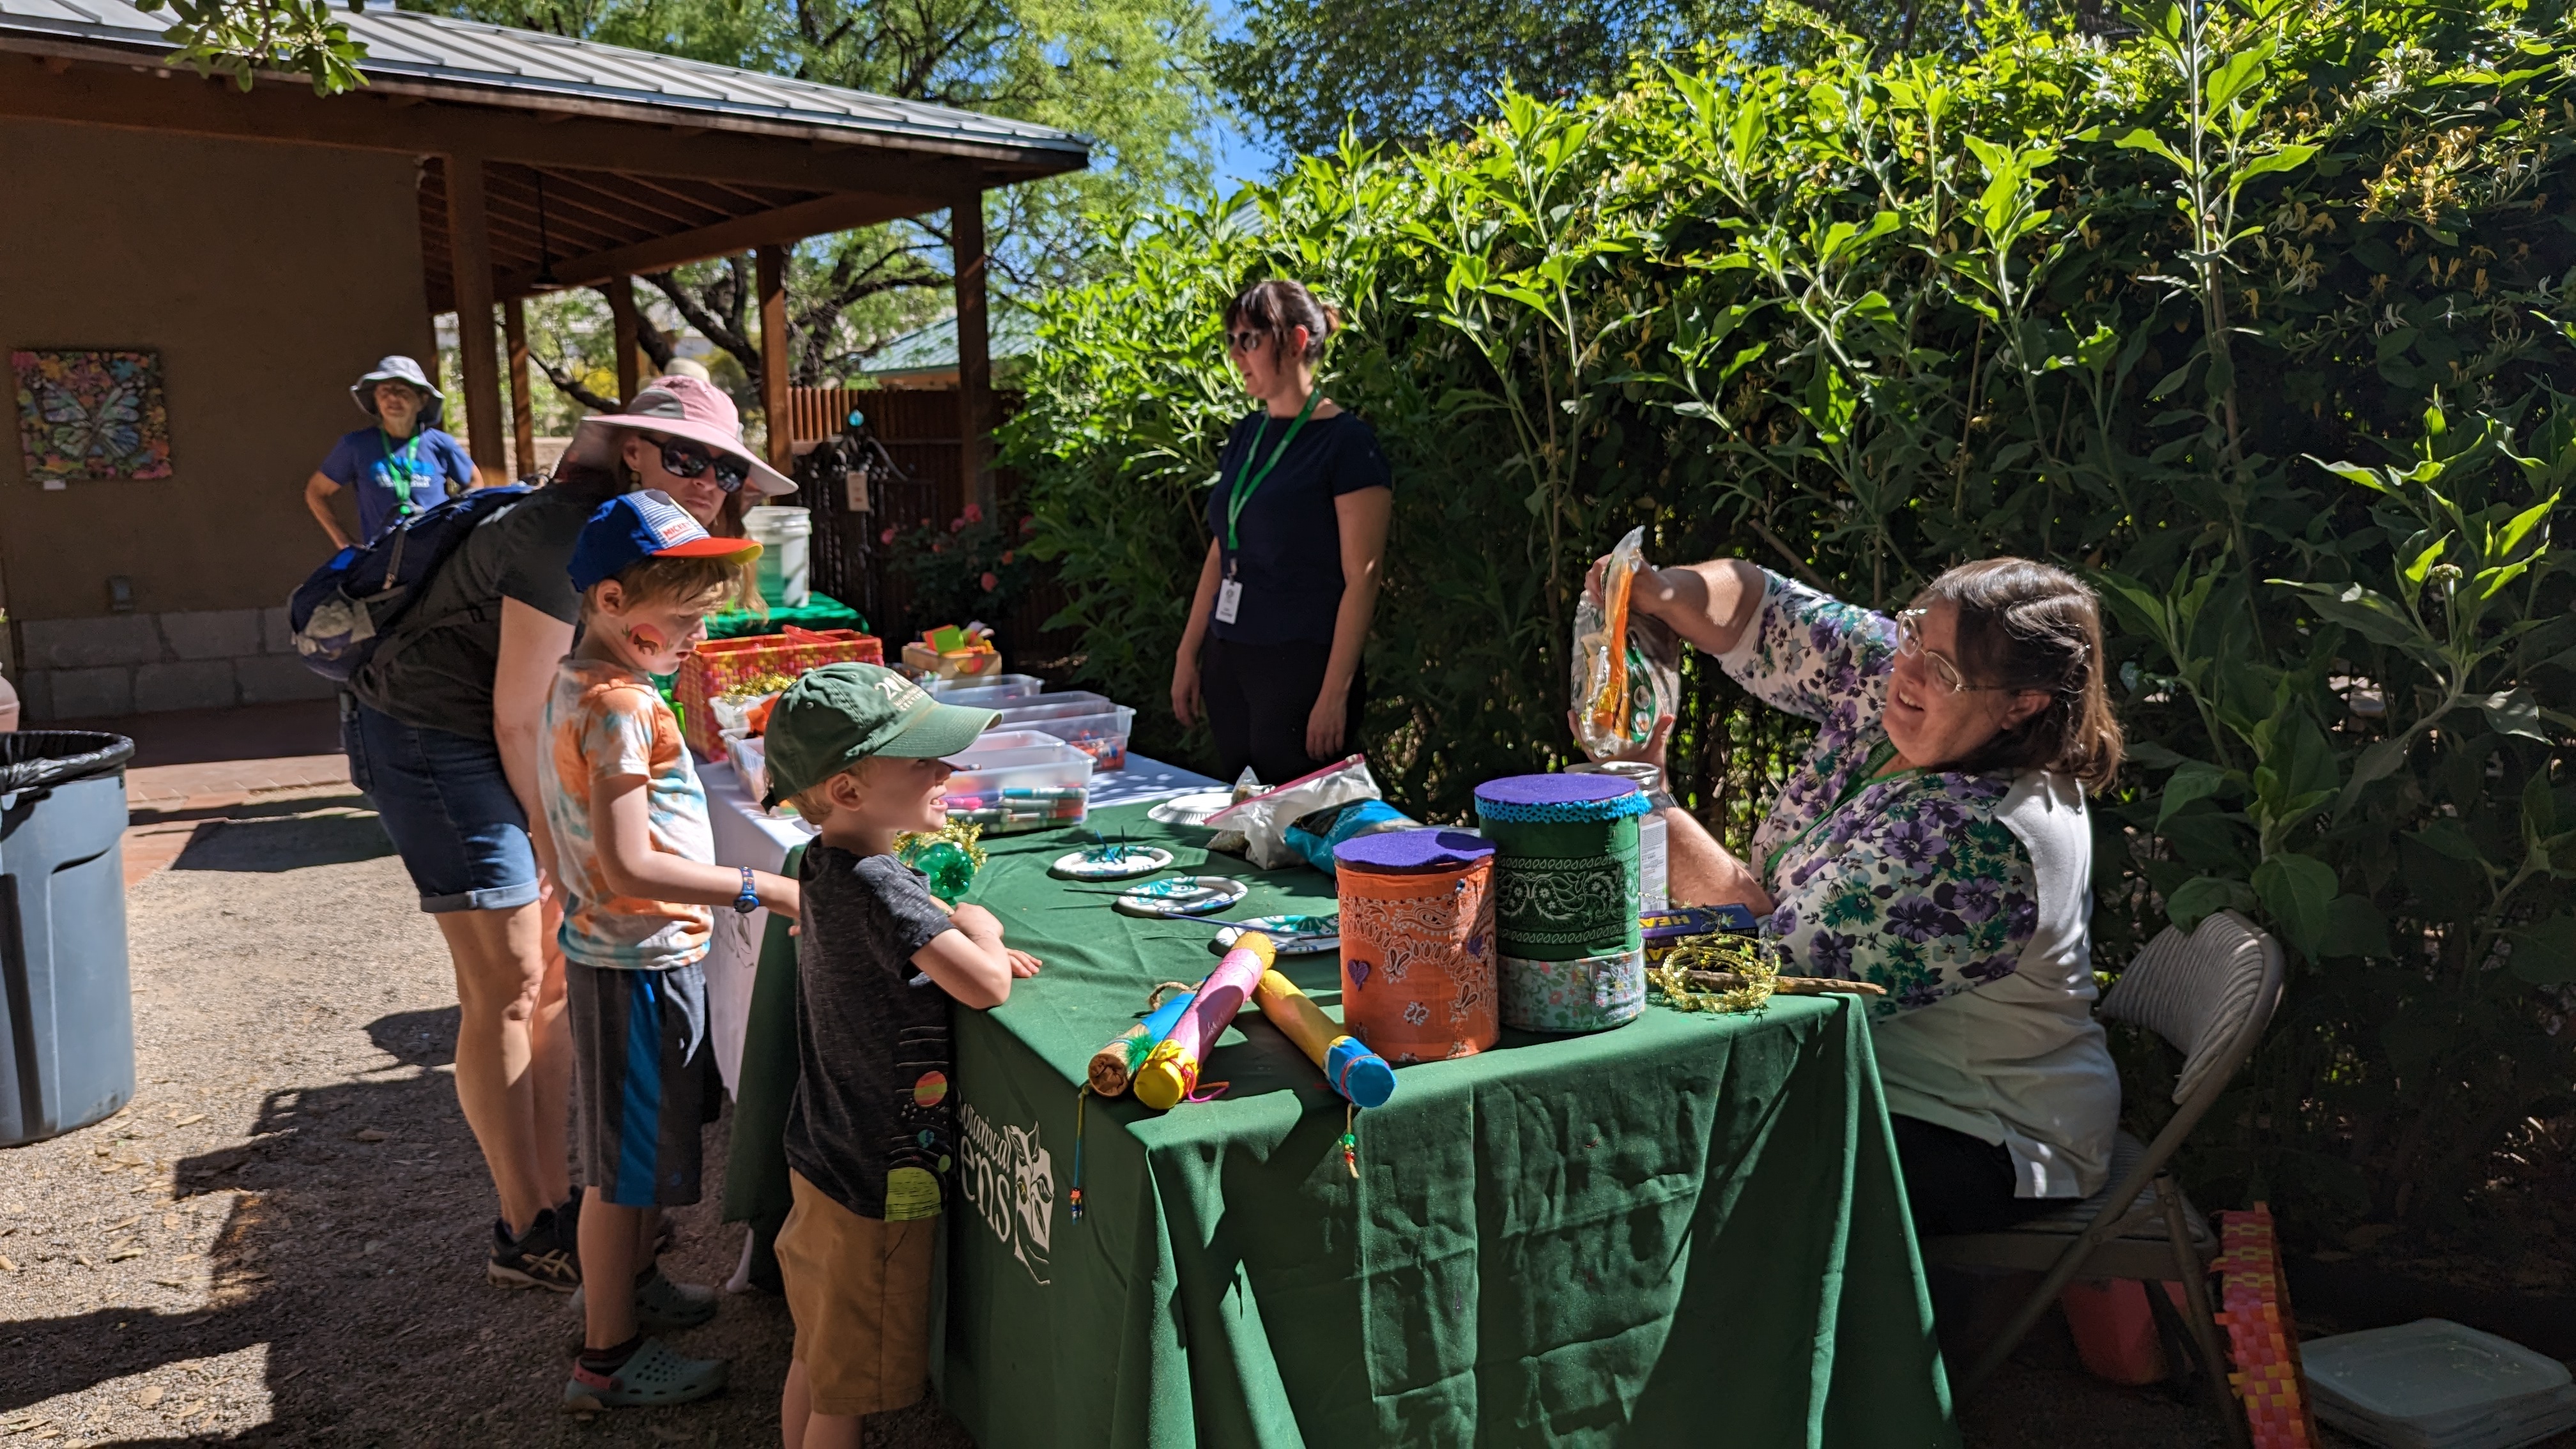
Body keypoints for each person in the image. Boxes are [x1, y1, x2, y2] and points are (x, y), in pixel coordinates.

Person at [343, 374, 794, 1292]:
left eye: (725, 466)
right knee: (510, 977)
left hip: (514, 727)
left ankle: (579, 1208)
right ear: (631, 451)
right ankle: (530, 1222)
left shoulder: (652, 555)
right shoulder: (569, 535)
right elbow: (518, 719)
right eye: (689, 456)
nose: (710, 477)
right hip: (433, 731)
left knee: (551, 978)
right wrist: (560, 855)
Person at [1621, 555, 2124, 1237]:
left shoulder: (1977, 839)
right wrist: (1659, 589)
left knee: (1671, 1171)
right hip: (1881, 1083)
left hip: (1984, 1131)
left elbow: (1765, 980)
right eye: (1913, 633)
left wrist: (1645, 800)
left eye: (1943, 669)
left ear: (2022, 705)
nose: (1906, 669)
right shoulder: (1909, 680)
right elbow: (1761, 608)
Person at [542, 490, 800, 1411]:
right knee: (622, 1173)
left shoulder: (585, 683)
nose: (699, 633)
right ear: (612, 602)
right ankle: (605, 1357)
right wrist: (758, 886)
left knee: (639, 1157)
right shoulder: (618, 705)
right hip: (636, 962)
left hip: (631, 952)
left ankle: (634, 1288)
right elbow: (627, 856)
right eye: (684, 617)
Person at [758, 664, 1044, 1449]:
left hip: (824, 1154)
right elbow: (985, 986)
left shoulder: (824, 864)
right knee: (844, 1393)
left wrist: (944, 924)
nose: (949, 771)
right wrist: (980, 927)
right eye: (923, 762)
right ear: (848, 790)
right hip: (875, 1181)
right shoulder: (884, 884)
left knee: (817, 1356)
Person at [1170, 279, 1393, 786]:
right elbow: (1223, 544)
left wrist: (1334, 694)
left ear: (1294, 342)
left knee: (1294, 828)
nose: (1234, 355)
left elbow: (1363, 578)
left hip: (1300, 667)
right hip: (1231, 657)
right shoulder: (1247, 434)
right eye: (1231, 340)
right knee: (1242, 819)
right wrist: (1190, 652)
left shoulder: (1348, 445)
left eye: (1249, 340)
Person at [304, 356, 479, 549]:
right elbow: (316, 492)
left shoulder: (440, 443)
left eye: (402, 391)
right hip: (382, 559)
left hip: (436, 556)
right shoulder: (355, 446)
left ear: (422, 401)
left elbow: (475, 482)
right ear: (376, 400)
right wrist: (343, 542)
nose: (393, 398)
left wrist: (456, 522)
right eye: (385, 391)